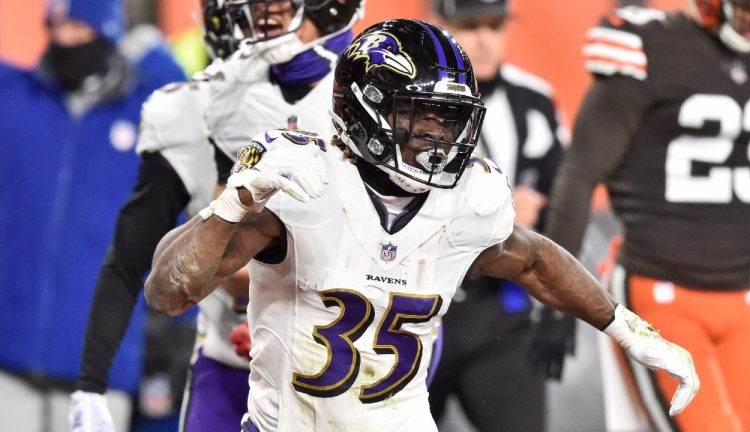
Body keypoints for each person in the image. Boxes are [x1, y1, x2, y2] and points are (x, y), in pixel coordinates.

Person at [144, 19, 699, 432]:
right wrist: (235, 201)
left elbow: (535, 260)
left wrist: (630, 330)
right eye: (422, 116)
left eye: (451, 118)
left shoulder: (466, 201)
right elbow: (169, 292)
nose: (441, 137)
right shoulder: (305, 186)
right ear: (365, 109)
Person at [69, 0, 365, 431]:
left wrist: (289, 325)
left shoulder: (368, 98)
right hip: (230, 359)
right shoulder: (207, 103)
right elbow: (132, 255)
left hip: (348, 365)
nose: (260, 20)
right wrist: (92, 382)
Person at [544, 2, 750, 431]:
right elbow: (581, 171)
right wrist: (558, 300)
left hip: (742, 295)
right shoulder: (651, 47)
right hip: (661, 289)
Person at [0, 0, 186, 431]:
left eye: (79, 29)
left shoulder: (144, 113)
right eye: (58, 27)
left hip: (100, 369)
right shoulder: (17, 98)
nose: (66, 39)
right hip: (8, 351)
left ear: (107, 32)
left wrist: (155, 54)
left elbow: (189, 109)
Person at [425, 0, 571, 430]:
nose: (485, 40)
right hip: (416, 305)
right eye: (470, 26)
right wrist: (496, 212)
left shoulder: (534, 101)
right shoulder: (410, 101)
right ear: (440, 27)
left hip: (498, 313)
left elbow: (560, 202)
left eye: (494, 25)